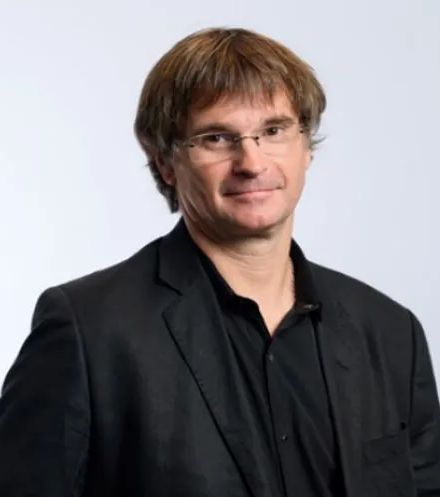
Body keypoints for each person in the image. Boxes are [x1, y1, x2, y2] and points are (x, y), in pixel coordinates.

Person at [0, 27, 439, 497]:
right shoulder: (90, 332)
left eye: (273, 131)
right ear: (165, 161)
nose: (252, 162)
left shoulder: (391, 333)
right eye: (216, 138)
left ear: (306, 147)